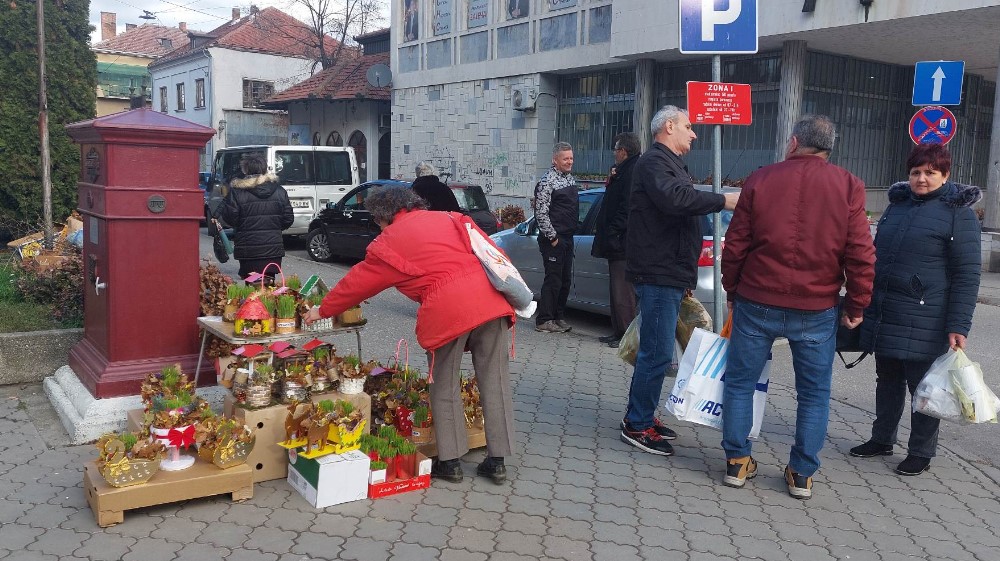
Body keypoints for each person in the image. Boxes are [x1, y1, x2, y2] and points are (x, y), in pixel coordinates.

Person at [302, 187, 516, 485]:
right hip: (492, 301)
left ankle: (451, 463)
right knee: (495, 379)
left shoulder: (389, 242)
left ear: (381, 217)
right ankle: (498, 462)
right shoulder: (452, 218)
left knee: (443, 382)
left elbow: (357, 283)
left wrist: (321, 310)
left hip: (448, 309)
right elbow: (496, 254)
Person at [720, 114, 876, 499]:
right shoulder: (849, 186)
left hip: (758, 298)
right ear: (828, 147)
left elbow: (736, 243)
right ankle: (802, 473)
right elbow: (860, 252)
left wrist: (731, 289)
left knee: (740, 383)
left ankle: (738, 463)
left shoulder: (760, 179)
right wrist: (857, 303)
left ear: (793, 143)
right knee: (813, 393)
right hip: (817, 305)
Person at [850, 143, 981, 477]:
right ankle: (882, 438)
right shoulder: (898, 205)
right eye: (916, 172)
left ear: (945, 175)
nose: (921, 179)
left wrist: (958, 325)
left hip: (929, 316)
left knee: (924, 387)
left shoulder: (958, 214)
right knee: (887, 379)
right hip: (887, 310)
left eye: (930, 173)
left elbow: (967, 275)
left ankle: (921, 450)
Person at [620, 106, 739, 456]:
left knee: (657, 353)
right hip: (657, 273)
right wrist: (724, 200)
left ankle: (641, 415)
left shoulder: (668, 163)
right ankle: (637, 424)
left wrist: (685, 277)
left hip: (668, 273)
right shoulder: (654, 162)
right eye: (689, 127)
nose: (694, 133)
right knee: (656, 354)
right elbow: (677, 200)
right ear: (668, 126)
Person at [592, 132, 640, 348]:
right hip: (617, 243)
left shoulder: (632, 171)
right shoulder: (622, 171)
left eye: (615, 150)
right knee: (615, 290)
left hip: (623, 243)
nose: (614, 154)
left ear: (623, 151)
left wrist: (613, 232)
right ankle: (618, 330)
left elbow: (626, 208)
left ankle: (627, 338)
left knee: (623, 292)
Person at [219, 152, 294, 280]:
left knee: (253, 290)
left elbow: (230, 219)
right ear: (264, 168)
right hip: (272, 250)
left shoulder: (238, 193)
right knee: (269, 288)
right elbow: (288, 219)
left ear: (245, 170)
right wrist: (273, 228)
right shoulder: (279, 191)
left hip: (249, 252)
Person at [533, 142, 579, 333]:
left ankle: (558, 316)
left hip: (568, 238)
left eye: (571, 158)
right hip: (554, 240)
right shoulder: (546, 182)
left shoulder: (570, 179)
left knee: (565, 280)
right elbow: (541, 213)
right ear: (555, 160)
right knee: (553, 280)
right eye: (565, 158)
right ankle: (544, 320)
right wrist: (553, 238)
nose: (569, 162)